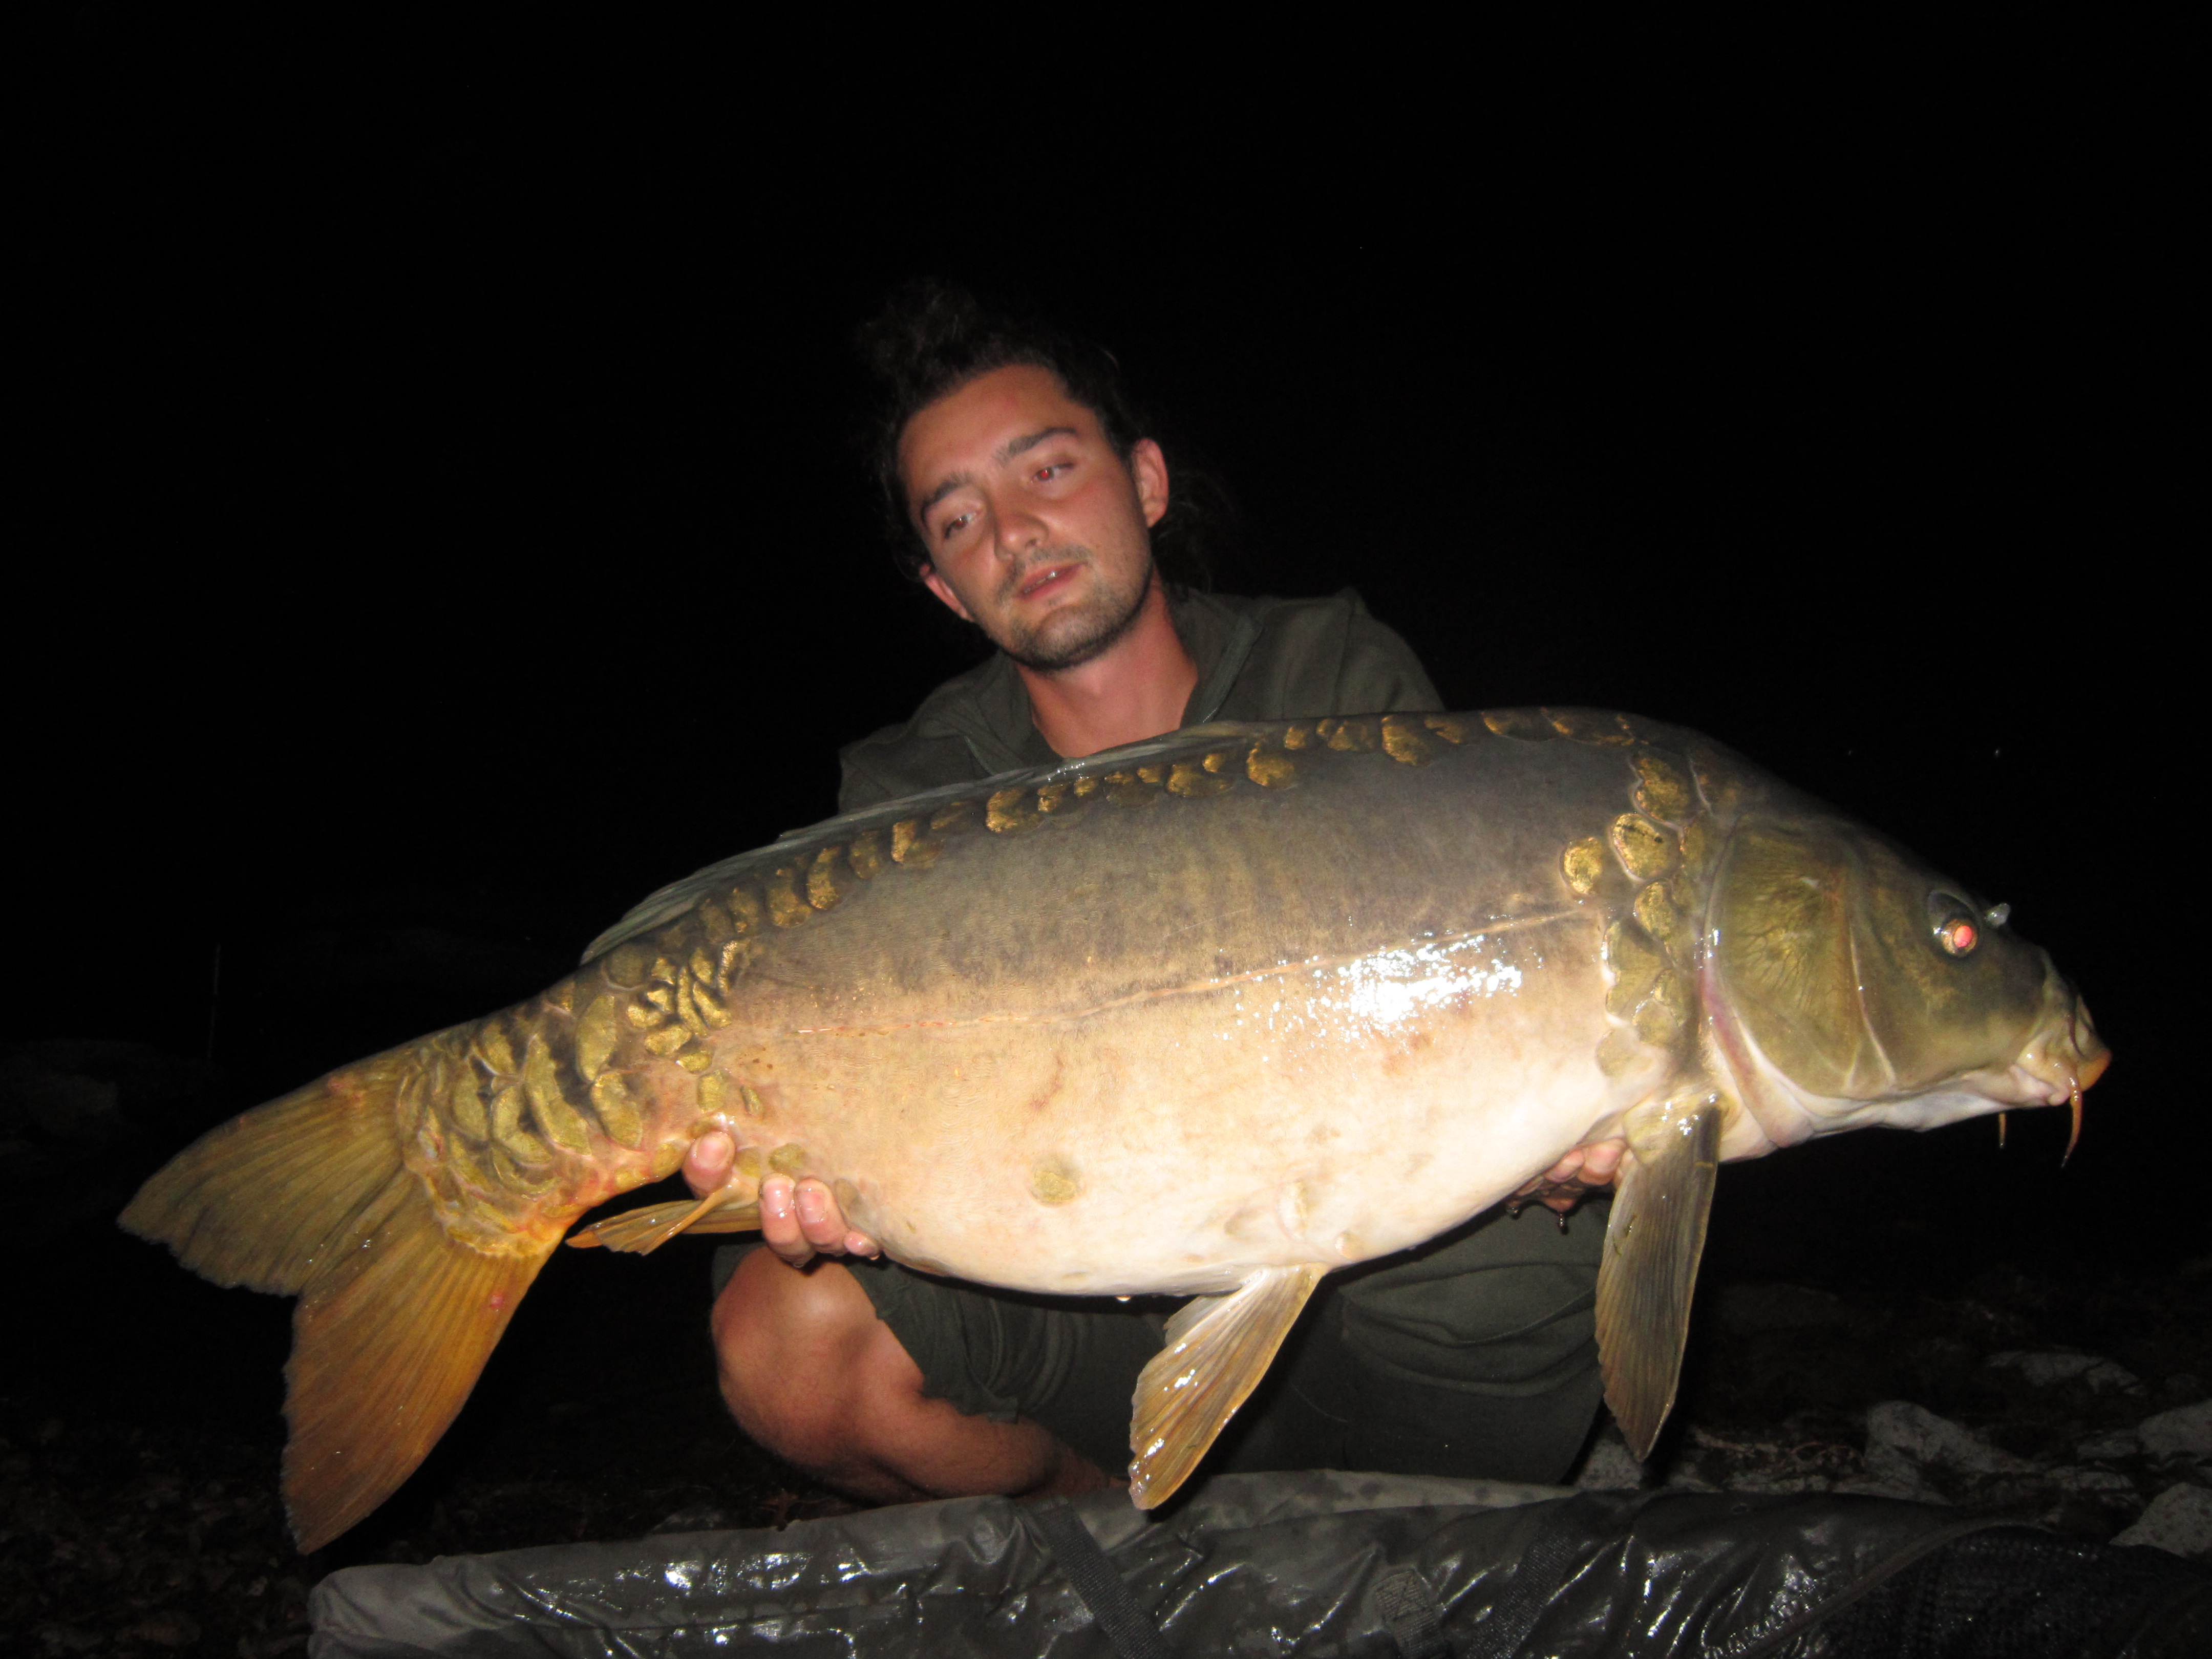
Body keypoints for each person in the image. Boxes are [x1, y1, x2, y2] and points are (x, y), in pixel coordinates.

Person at [679, 285, 1626, 1505]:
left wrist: (1564, 1111)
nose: (1015, 531)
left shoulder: (1333, 679)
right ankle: (1128, 1554)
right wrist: (831, 1175)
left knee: (1514, 1263)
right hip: (1090, 1318)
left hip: (1381, 1306)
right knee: (788, 1338)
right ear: (944, 588)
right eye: (960, 518)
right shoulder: (910, 795)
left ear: (1146, 482)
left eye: (1049, 471)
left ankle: (1406, 1532)